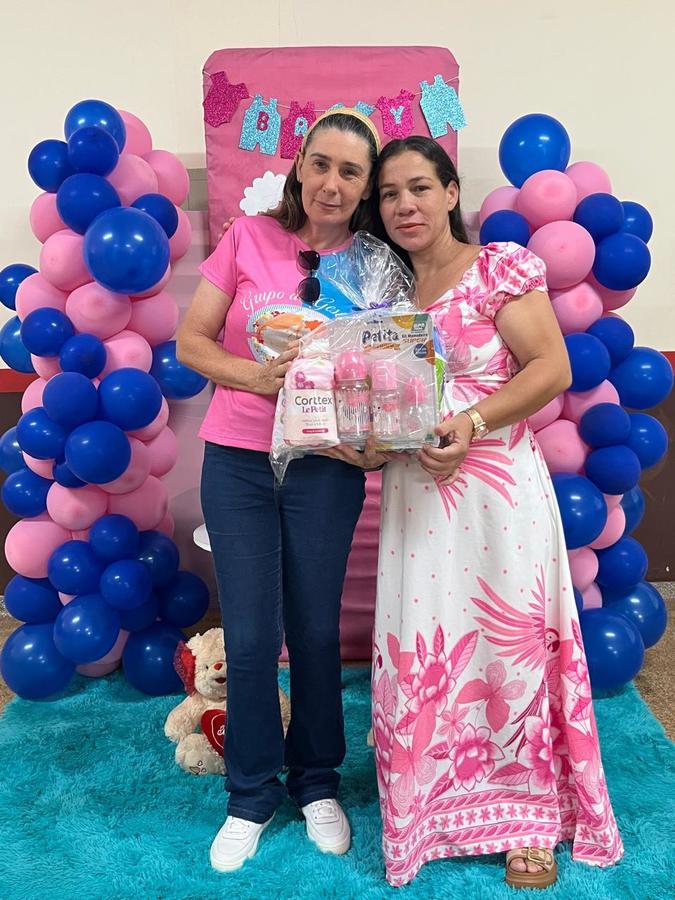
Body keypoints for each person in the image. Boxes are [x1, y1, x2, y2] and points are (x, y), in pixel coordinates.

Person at [367, 136, 624, 888]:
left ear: (451, 193)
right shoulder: (380, 298)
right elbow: (377, 402)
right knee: (427, 646)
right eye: (389, 193)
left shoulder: (497, 267)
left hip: (497, 498)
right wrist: (363, 440)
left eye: (419, 187)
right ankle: (427, 815)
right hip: (415, 501)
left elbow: (551, 367)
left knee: (507, 646)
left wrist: (470, 422)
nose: (405, 205)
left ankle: (528, 822)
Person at [177, 108, 388, 873]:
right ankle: (250, 794)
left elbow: (389, 369)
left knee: (315, 632)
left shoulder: (376, 264)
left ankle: (317, 782)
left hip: (324, 463)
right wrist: (254, 377)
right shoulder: (248, 237)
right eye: (320, 163)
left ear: (365, 185)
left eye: (350, 171)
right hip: (236, 459)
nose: (331, 182)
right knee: (251, 637)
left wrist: (376, 436)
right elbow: (191, 341)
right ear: (300, 166)